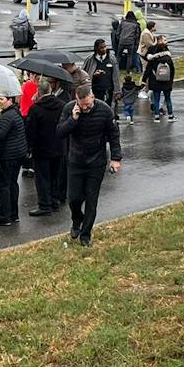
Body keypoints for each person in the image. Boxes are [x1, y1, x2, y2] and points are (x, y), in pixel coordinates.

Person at [57, 84, 123, 247]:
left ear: (92, 97)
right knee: (74, 198)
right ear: (76, 100)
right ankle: (76, 220)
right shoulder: (69, 109)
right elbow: (59, 133)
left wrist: (116, 158)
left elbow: (114, 135)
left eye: (88, 104)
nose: (85, 107)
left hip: (96, 162)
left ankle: (85, 235)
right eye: (82, 104)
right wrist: (73, 119)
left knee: (91, 199)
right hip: (75, 161)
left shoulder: (105, 110)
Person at [24, 83, 66, 217]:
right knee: (55, 176)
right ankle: (54, 201)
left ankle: (44, 205)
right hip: (59, 146)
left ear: (38, 92)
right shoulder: (62, 105)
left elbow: (30, 132)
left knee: (42, 178)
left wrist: (29, 148)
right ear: (51, 90)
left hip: (41, 149)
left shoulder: (36, 109)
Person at [0, 93, 29, 226]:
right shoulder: (15, 112)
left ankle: (4, 217)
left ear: (10, 100)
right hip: (18, 154)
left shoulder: (7, 116)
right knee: (13, 184)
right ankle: (13, 214)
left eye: (2, 99)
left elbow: (0, 135)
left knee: (3, 185)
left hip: (8, 156)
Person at [144, 36, 177, 122]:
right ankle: (171, 116)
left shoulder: (153, 58)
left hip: (155, 81)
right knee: (168, 98)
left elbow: (148, 69)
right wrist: (171, 81)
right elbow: (172, 70)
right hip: (166, 82)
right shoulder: (168, 58)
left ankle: (156, 116)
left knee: (156, 99)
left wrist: (144, 79)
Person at [82, 39, 119, 110]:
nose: (104, 49)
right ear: (96, 48)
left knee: (109, 108)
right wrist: (93, 75)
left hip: (108, 90)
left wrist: (117, 91)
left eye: (105, 47)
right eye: (102, 48)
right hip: (95, 90)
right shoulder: (90, 60)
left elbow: (116, 75)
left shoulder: (112, 59)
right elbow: (84, 74)